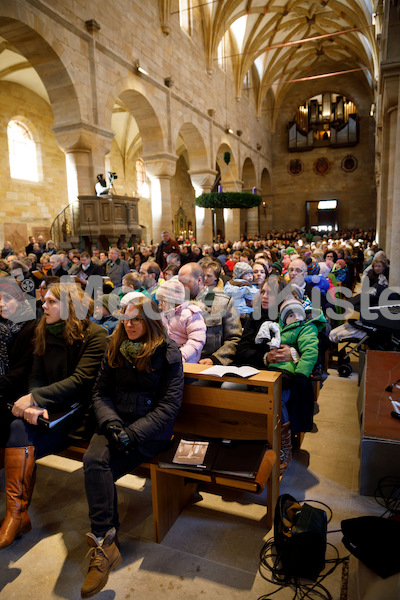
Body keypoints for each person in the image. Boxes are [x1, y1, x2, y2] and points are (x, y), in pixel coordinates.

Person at [80, 293, 184, 598]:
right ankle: (105, 542)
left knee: (102, 468)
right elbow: (100, 393)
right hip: (114, 424)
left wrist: (133, 434)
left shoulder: (168, 352)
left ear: (150, 320)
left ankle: (103, 544)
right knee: (93, 461)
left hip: (150, 432)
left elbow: (168, 406)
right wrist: (111, 424)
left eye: (137, 318)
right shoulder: (115, 346)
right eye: (126, 318)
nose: (129, 324)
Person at [1, 283, 107, 549]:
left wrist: (35, 398)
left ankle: (18, 517)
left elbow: (81, 381)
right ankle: (16, 515)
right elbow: (35, 373)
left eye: (50, 302)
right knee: (18, 426)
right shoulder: (44, 330)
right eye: (44, 301)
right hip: (49, 407)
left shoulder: (96, 334)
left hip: (79, 413)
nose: (43, 306)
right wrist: (34, 402)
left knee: (21, 433)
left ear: (69, 305)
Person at [178, 262, 241, 365]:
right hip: (179, 362)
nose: (180, 286)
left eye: (185, 282)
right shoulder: (174, 303)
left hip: (207, 363)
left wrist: (215, 359)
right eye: (179, 282)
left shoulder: (223, 301)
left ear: (199, 280)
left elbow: (234, 338)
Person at [156, 278, 206, 363]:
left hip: (187, 361)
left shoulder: (191, 314)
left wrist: (180, 356)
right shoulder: (163, 315)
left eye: (162, 301)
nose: (160, 305)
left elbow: (196, 341)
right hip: (167, 360)